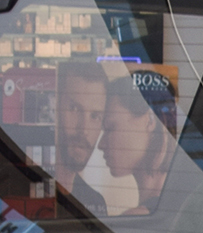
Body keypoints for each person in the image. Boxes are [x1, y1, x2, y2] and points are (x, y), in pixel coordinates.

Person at [100, 67, 181, 215]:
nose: (101, 144)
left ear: (150, 120)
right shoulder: (181, 204)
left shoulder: (138, 218)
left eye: (110, 128)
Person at [52, 62, 109, 217]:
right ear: (55, 107)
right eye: (75, 109)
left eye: (95, 116)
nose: (84, 130)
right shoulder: (21, 187)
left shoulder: (96, 203)